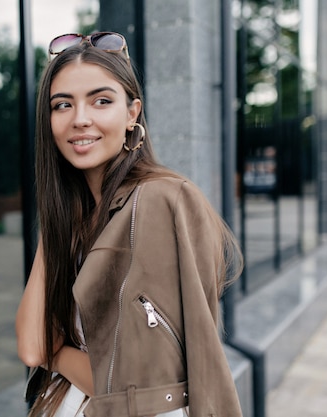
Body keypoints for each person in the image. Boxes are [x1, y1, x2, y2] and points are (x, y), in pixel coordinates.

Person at [16, 32, 244, 417]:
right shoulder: (76, 217)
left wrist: (56, 350)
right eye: (62, 105)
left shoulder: (159, 202)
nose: (80, 119)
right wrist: (57, 225)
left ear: (131, 113)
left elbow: (139, 387)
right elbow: (31, 345)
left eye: (101, 101)